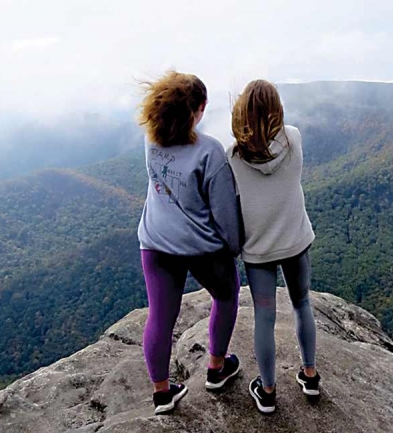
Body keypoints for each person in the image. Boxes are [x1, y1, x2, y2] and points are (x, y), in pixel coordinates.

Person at [137, 71, 242, 415]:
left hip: (155, 241)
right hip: (202, 247)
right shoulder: (209, 151)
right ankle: (216, 368)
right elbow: (224, 211)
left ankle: (162, 393)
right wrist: (235, 245)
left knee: (160, 316)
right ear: (198, 109)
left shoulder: (152, 140)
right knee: (226, 297)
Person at [228, 79, 320, 414]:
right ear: (276, 109)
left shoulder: (233, 157)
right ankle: (309, 376)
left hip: (259, 252)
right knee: (302, 303)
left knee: (264, 318)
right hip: (295, 242)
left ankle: (267, 392)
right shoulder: (293, 139)